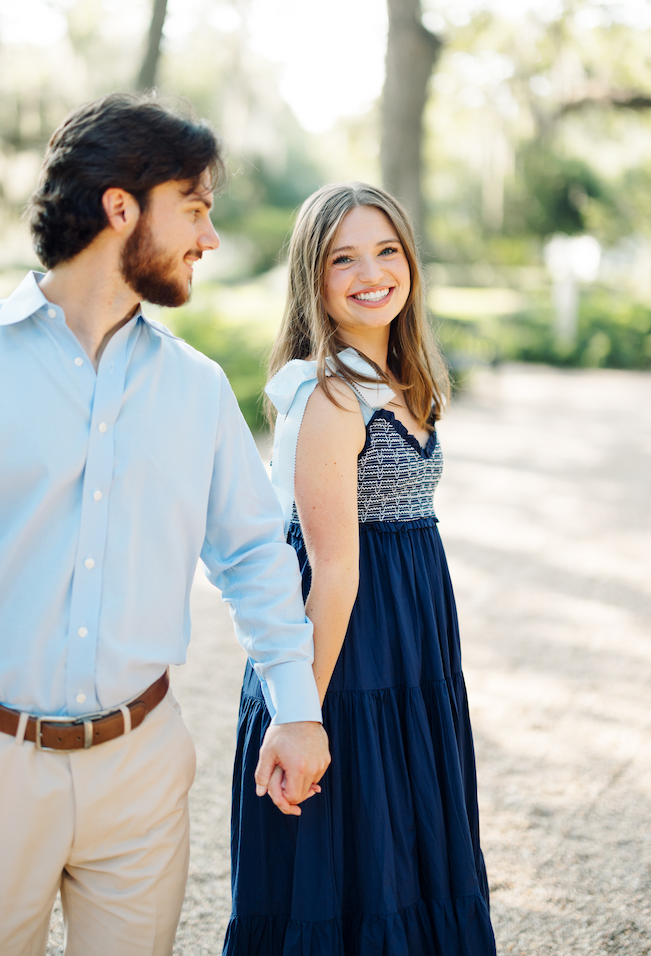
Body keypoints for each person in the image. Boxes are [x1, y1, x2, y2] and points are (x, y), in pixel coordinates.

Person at [0, 93, 329, 956]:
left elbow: (254, 554)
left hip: (143, 761)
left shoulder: (196, 388)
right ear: (120, 207)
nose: (208, 238)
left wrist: (297, 711)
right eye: (195, 208)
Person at [225, 183, 497, 955]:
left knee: (403, 846)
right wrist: (297, 711)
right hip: (347, 652)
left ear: (409, 261)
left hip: (409, 647)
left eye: (385, 251)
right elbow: (334, 570)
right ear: (312, 278)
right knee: (347, 857)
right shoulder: (330, 396)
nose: (369, 272)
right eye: (342, 258)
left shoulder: (404, 381)